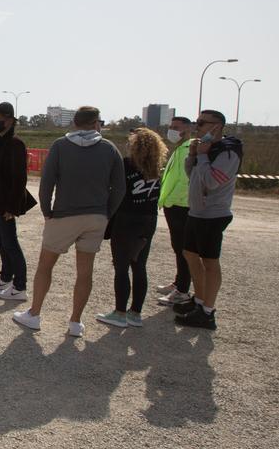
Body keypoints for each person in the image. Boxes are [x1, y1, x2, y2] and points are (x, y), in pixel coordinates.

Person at [13, 106, 124, 337]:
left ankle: (34, 314)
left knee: (46, 265)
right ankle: (75, 322)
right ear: (96, 123)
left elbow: (47, 182)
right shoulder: (109, 148)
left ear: (75, 123)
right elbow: (119, 188)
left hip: (64, 214)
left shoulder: (61, 146)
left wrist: (47, 210)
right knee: (85, 272)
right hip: (95, 216)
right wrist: (106, 213)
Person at [174, 109, 242, 330]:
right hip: (196, 212)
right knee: (190, 254)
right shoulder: (205, 149)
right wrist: (194, 154)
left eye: (202, 123)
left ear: (217, 127)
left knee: (210, 262)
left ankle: (208, 312)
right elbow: (190, 174)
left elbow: (211, 182)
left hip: (213, 214)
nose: (197, 127)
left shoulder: (227, 152)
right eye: (197, 122)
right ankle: (200, 301)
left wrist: (203, 155)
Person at [96, 128, 168, 328]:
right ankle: (135, 313)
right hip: (149, 219)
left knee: (121, 267)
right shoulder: (156, 167)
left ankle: (119, 312)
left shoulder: (126, 165)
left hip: (127, 220)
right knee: (139, 266)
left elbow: (113, 188)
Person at [0, 102, 35, 299]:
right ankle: (5, 278)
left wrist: (12, 206)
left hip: (6, 204)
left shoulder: (16, 145)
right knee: (2, 242)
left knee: (11, 243)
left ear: (10, 121)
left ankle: (19, 286)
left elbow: (19, 179)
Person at [154, 116, 194, 305]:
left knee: (184, 249)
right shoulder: (180, 148)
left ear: (187, 129)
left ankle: (183, 290)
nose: (172, 130)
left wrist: (174, 199)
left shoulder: (189, 149)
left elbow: (186, 180)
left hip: (182, 205)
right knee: (178, 247)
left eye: (176, 127)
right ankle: (179, 282)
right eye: (171, 126)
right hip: (173, 204)